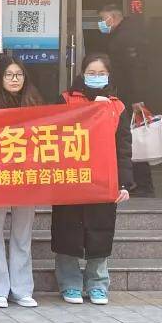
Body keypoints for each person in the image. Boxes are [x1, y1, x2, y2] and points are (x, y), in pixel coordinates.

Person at [51, 52, 132, 305]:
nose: (96, 77)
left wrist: (123, 183)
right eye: (91, 73)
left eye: (101, 73)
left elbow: (123, 148)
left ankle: (97, 285)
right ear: (82, 73)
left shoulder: (117, 106)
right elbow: (52, 135)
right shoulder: (65, 99)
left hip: (102, 180)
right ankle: (70, 284)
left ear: (109, 76)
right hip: (70, 179)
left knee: (100, 231)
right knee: (68, 232)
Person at [0, 57, 43, 309]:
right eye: (9, 75)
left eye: (19, 75)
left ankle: (22, 289)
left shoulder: (36, 105)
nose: (14, 79)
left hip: (27, 178)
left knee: (22, 234)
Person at [97, 4, 153, 197]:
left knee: (135, 138)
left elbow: (134, 70)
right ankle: (137, 182)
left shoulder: (126, 37)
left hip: (131, 99)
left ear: (113, 18)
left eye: (103, 19)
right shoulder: (122, 34)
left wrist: (137, 99)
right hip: (127, 96)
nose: (101, 23)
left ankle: (143, 184)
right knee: (131, 138)